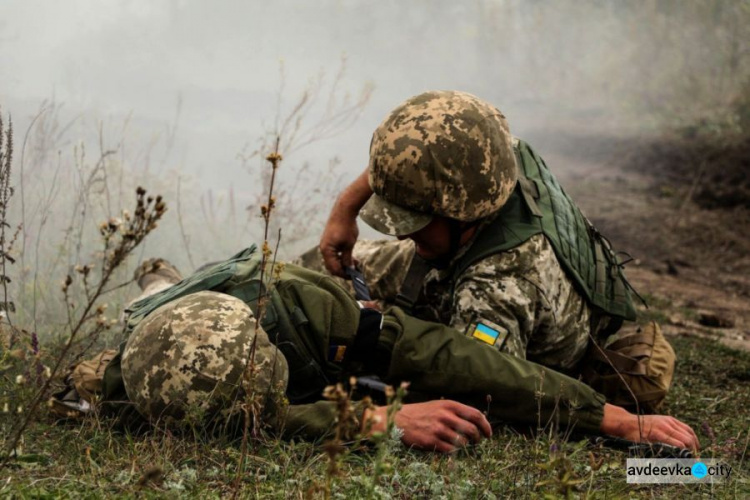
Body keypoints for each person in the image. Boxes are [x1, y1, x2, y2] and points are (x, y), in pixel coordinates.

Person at [97, 249, 698, 454]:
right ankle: (158, 277)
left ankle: (162, 273)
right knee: (153, 295)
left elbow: (452, 357)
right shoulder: (125, 386)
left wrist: (610, 417)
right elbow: (267, 419)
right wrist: (372, 420)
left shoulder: (310, 309)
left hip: (271, 296)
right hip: (164, 320)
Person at [306, 90, 674, 413]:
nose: (403, 235)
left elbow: (476, 388)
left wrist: (376, 329)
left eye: (415, 220)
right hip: (460, 249)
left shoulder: (498, 286)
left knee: (336, 319)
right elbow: (415, 154)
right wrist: (345, 209)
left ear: (461, 208)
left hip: (507, 322)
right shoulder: (487, 156)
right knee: (314, 273)